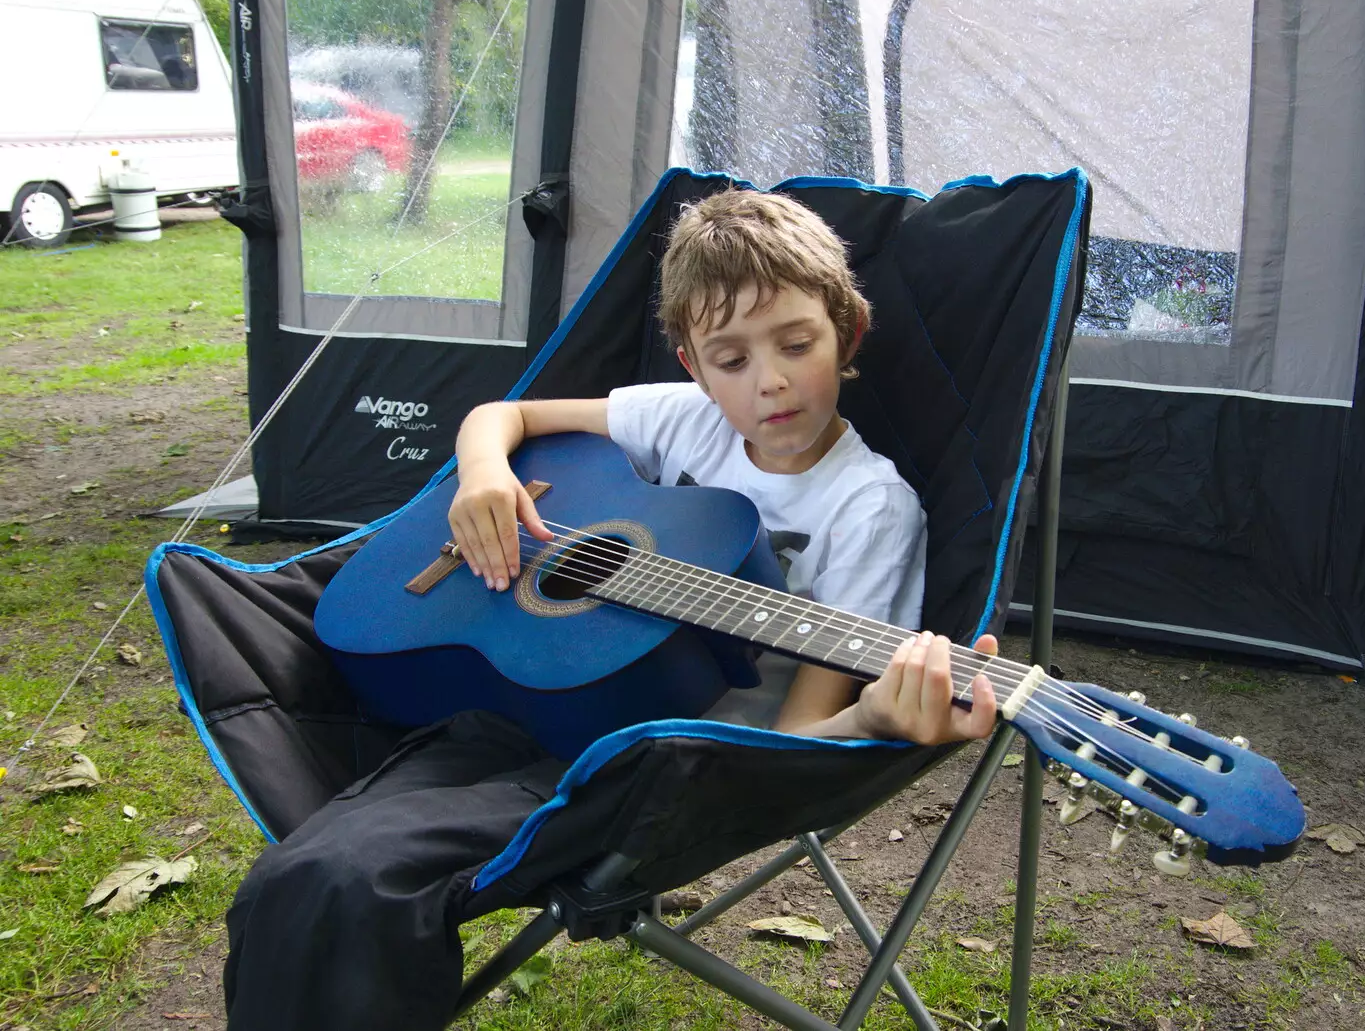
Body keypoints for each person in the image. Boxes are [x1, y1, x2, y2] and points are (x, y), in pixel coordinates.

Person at [222, 189, 998, 1031]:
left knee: (344, 878)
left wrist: (871, 718)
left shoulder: (869, 509)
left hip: (650, 770)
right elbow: (504, 414)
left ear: (847, 332)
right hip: (530, 690)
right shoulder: (684, 419)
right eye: (729, 360)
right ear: (692, 367)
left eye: (797, 343)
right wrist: (485, 474)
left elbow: (793, 743)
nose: (769, 380)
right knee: (299, 881)